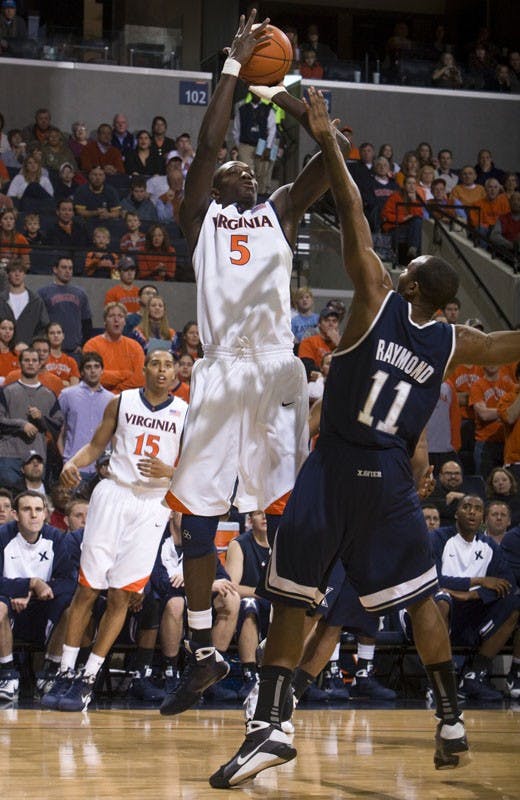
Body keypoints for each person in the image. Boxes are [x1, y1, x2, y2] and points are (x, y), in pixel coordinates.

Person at [209, 88, 520, 788]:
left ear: (404, 281)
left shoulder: (372, 305)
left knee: (291, 596)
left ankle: (273, 726)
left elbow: (350, 210)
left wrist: (325, 139)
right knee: (421, 600)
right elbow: (505, 345)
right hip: (390, 481)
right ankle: (451, 718)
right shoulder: (452, 343)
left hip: (337, 464)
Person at [160, 12, 350, 719]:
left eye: (248, 164)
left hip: (274, 369)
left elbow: (327, 164)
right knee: (198, 524)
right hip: (218, 369)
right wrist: (235, 72)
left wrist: (296, 102)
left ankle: (279, 669)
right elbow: (209, 141)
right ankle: (205, 655)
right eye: (227, 167)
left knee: (284, 519)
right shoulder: (198, 216)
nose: (237, 165)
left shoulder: (280, 211)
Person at [41, 349, 188, 712]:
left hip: (152, 504)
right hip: (114, 494)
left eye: (168, 365)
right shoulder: (121, 403)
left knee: (122, 596)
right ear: (144, 369)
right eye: (155, 363)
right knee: (88, 588)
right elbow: (94, 446)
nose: (161, 370)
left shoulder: (185, 413)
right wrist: (73, 462)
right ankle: (65, 671)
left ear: (175, 374)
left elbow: (198, 466)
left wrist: (170, 474)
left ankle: (89, 678)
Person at [431, 495, 520, 702]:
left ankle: (473, 676)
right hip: (443, 610)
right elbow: (434, 579)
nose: (472, 512)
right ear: (456, 513)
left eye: (478, 509)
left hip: (474, 610)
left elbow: (508, 583)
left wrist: (474, 594)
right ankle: (441, 680)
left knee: (515, 603)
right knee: (442, 598)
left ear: (482, 518)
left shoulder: (490, 546)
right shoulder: (439, 538)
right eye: (466, 507)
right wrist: (477, 581)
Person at [0, 490, 76, 703]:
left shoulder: (58, 538)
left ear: (45, 515)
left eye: (38, 509)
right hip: (9, 606)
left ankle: (50, 672)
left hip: (44, 606)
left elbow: (69, 581)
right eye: (27, 509)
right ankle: (6, 674)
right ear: (15, 514)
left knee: (72, 606)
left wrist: (31, 592)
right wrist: (30, 584)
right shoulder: (2, 536)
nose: (33, 515)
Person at [0, 347, 63, 491]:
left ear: (40, 364)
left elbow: (58, 424)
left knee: (33, 504)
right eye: (26, 360)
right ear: (20, 363)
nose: (30, 363)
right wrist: (21, 425)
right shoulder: (6, 391)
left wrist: (42, 418)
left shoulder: (49, 394)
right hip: (9, 456)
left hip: (37, 458)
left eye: (34, 360)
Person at [224, 510, 271, 699]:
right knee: (249, 604)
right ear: (250, 519)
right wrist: (264, 593)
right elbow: (232, 585)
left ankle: (283, 677)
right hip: (250, 601)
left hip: (275, 603)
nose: (265, 517)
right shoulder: (239, 544)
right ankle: (249, 673)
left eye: (269, 513)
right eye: (260, 513)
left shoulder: (283, 543)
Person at [57, 351, 113, 484]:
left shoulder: (112, 399)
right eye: (88, 367)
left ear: (102, 370)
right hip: (75, 467)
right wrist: (66, 459)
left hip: (103, 468)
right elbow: (59, 431)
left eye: (96, 366)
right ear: (81, 372)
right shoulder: (67, 395)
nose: (92, 371)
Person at [82, 302, 145, 394]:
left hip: (129, 398)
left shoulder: (135, 346)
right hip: (99, 396)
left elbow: (140, 378)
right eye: (111, 316)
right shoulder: (92, 345)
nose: (116, 320)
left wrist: (117, 391)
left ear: (124, 322)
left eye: (120, 316)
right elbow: (93, 375)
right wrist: (126, 374)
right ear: (105, 322)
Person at [38, 254, 93, 356]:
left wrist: (83, 345)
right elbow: (39, 323)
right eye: (64, 267)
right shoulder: (43, 293)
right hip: (50, 350)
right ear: (55, 269)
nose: (68, 271)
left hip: (75, 350)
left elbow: (87, 322)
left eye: (70, 268)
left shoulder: (80, 293)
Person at [0, 256, 48, 346]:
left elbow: (43, 327)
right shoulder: (1, 300)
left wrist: (33, 345)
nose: (17, 274)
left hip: (29, 354)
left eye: (20, 271)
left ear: (25, 274)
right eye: (13, 271)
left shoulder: (36, 301)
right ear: (8, 274)